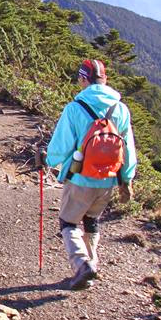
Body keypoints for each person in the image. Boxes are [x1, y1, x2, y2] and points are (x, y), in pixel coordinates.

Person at [42, 59, 137, 290]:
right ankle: (92, 263)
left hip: (80, 177)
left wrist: (48, 160)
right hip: (108, 179)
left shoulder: (75, 108)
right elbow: (128, 148)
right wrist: (126, 179)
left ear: (84, 79)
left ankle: (82, 264)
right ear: (104, 80)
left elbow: (61, 145)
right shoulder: (121, 109)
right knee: (92, 220)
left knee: (69, 222)